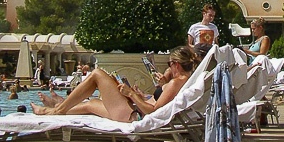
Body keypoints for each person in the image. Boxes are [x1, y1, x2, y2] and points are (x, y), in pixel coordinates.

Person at [32, 46, 199, 120]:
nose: (169, 68)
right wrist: (145, 94)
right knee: (92, 104)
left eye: (170, 64)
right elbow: (158, 104)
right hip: (134, 111)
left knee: (97, 74)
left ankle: (59, 109)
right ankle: (53, 109)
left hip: (135, 116)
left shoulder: (176, 82)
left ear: (176, 65)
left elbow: (153, 112)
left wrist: (131, 94)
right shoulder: (184, 81)